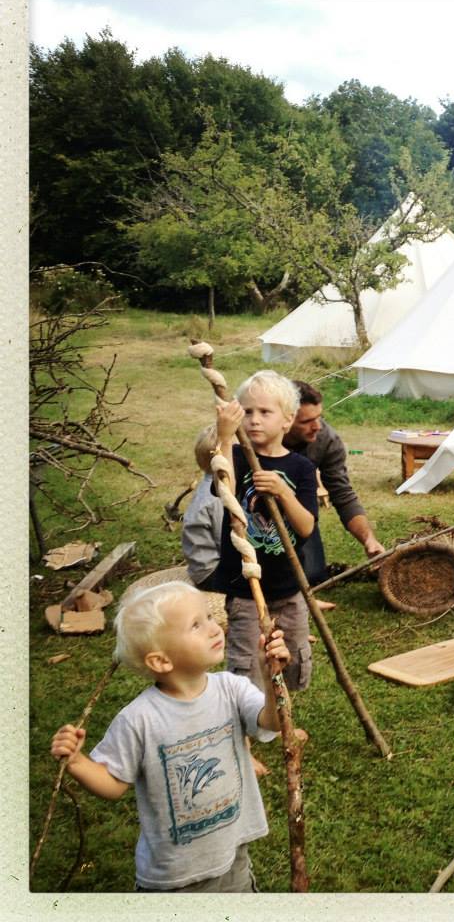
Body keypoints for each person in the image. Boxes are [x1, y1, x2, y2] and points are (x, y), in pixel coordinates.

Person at [50, 581, 290, 892]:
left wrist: (271, 678)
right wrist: (77, 762)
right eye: (196, 625)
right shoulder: (139, 719)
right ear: (161, 660)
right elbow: (113, 783)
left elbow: (272, 722)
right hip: (174, 879)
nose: (215, 628)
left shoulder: (231, 689)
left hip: (233, 860)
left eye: (208, 617)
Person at [212, 371, 318, 697]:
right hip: (244, 587)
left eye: (265, 412)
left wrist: (284, 493)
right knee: (246, 664)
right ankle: (245, 729)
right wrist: (225, 438)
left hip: (288, 585)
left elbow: (306, 527)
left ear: (288, 420)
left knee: (295, 656)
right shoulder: (239, 458)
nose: (254, 420)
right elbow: (225, 490)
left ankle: (280, 717)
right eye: (247, 412)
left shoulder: (300, 468)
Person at [284, 380, 385, 561]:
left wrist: (369, 539)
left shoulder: (326, 439)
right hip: (254, 510)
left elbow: (342, 493)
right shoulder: (255, 438)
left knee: (313, 575)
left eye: (319, 417)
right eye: (307, 421)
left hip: (300, 511)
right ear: (284, 420)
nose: (317, 426)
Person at [180, 423, 225, 591]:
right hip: (211, 572)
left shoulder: (212, 485)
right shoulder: (216, 497)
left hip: (209, 564)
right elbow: (225, 540)